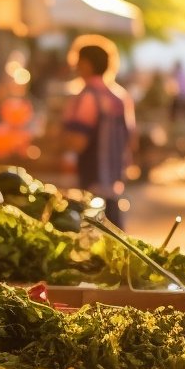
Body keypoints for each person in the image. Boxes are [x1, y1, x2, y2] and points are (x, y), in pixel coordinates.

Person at [61, 35, 136, 228]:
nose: (75, 66)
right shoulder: (120, 97)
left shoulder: (87, 97)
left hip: (90, 182)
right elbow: (131, 139)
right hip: (114, 182)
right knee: (115, 237)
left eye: (77, 61)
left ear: (86, 64)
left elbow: (78, 142)